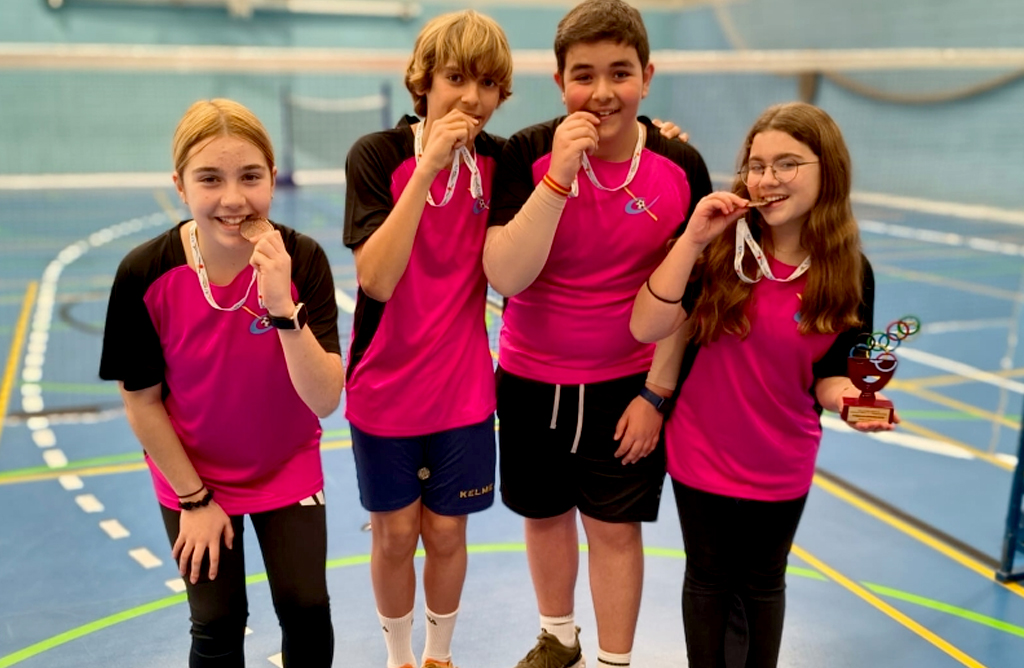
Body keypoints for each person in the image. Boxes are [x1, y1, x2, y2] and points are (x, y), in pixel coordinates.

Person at [483, 2, 713, 667]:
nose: (603, 91)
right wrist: (559, 175)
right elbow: (507, 274)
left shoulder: (678, 164)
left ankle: (614, 660)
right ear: (560, 82)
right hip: (529, 380)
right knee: (545, 516)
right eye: (584, 75)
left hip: (624, 387)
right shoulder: (526, 151)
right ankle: (558, 639)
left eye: (620, 73)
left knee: (614, 529)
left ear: (647, 74)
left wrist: (657, 394)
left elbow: (688, 298)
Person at [629, 101, 897, 668]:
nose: (767, 179)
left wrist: (856, 402)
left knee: (761, 584)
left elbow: (831, 378)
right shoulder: (722, 246)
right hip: (701, 449)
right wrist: (694, 241)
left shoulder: (851, 271)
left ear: (827, 171)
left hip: (782, 460)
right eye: (757, 165)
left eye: (787, 164)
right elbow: (648, 326)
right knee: (706, 579)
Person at [99, 98, 344, 667]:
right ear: (180, 185)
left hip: (286, 463)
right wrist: (195, 499)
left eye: (250, 177)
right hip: (192, 472)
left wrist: (283, 307)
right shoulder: (145, 271)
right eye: (210, 179)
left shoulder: (302, 259)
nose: (234, 199)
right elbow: (141, 404)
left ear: (273, 179)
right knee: (217, 622)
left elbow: (326, 399)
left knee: (306, 609)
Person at [341, 11, 512, 668]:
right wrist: (430, 165)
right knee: (394, 536)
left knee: (445, 532)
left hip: (465, 390)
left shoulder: (503, 159)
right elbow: (376, 279)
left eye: (489, 83)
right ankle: (399, 659)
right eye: (456, 78)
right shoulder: (377, 156)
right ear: (424, 81)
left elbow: (570, 147)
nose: (472, 97)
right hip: (384, 388)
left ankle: (438, 657)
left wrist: (655, 137)